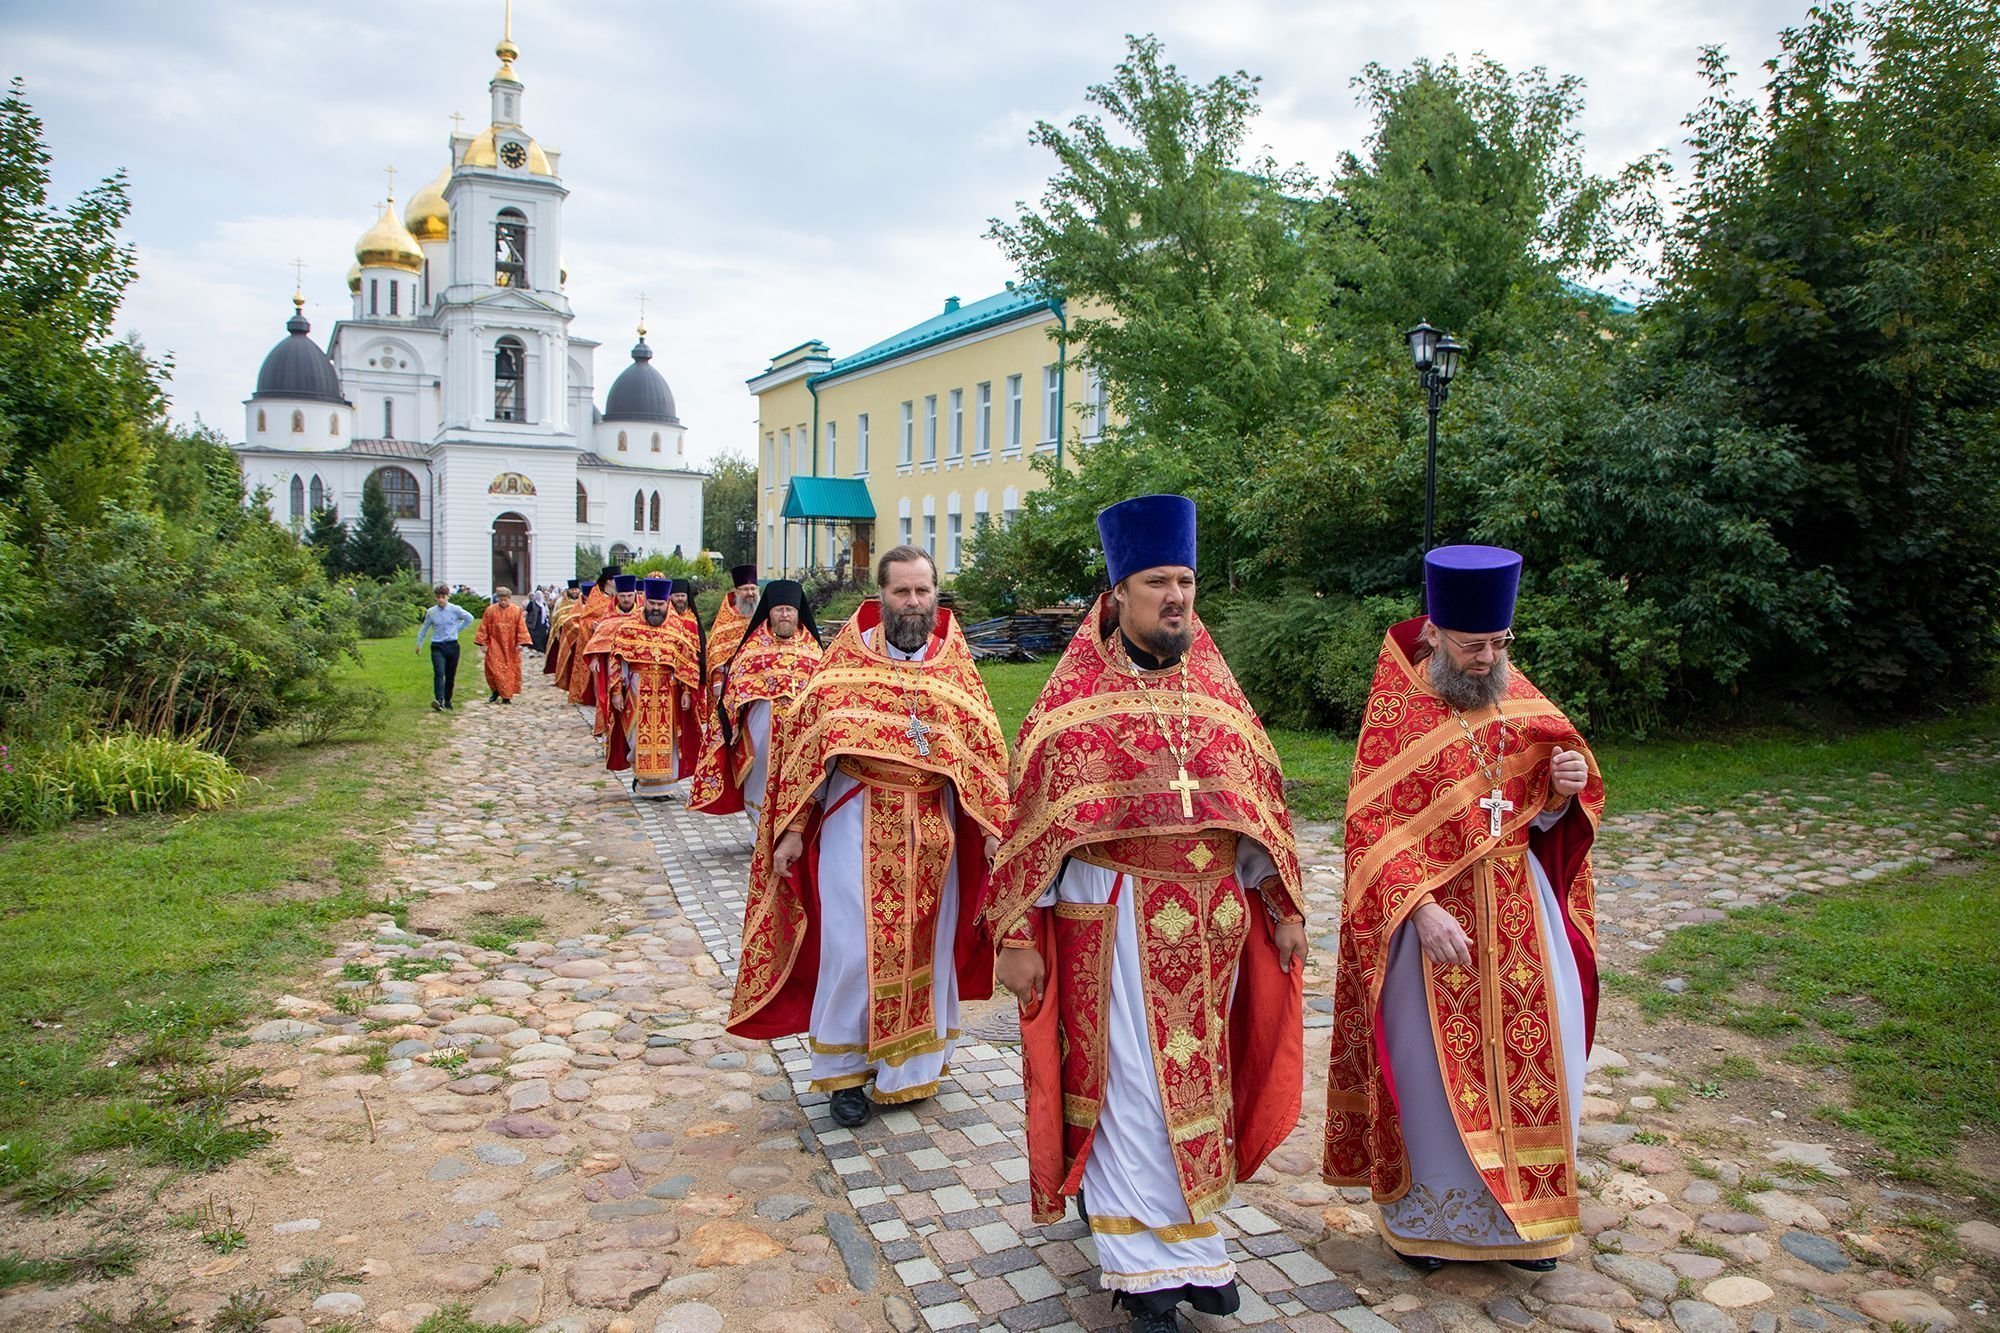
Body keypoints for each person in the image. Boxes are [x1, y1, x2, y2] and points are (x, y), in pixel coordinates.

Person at [984, 495, 1308, 1331]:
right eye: (1159, 580)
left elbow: (1258, 807)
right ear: (1118, 590)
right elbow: (1033, 824)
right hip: (1114, 919)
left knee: (1198, 1085)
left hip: (1210, 924)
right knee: (1131, 1083)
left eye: (1188, 580)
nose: (1178, 596)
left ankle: (1194, 1244)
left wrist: (1278, 900)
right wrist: (1018, 932)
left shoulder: (1221, 699)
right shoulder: (1069, 705)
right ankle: (1138, 1263)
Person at [1323, 545, 1602, 1272]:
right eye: (1473, 644)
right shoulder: (1399, 712)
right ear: (1436, 636)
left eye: (1499, 643)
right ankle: (1426, 1221)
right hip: (1431, 925)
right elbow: (1370, 826)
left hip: (1517, 917)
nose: (1486, 659)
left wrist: (1564, 788)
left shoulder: (1519, 697)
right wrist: (1417, 909)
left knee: (1541, 1060)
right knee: (1427, 1073)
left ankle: (1525, 1224)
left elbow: (1540, 814)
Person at [727, 546, 1009, 1128]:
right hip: (854, 822)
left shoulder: (957, 672)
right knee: (853, 950)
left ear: (936, 595)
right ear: (881, 597)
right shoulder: (841, 669)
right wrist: (791, 833)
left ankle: (911, 1069)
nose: (913, 602)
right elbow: (804, 758)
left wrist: (991, 830)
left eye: (922, 591)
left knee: (923, 950)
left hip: (934, 834)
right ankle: (846, 1071)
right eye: (902, 591)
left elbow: (984, 760)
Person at [689, 578, 822, 824]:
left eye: (789, 610)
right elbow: (734, 692)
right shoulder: (752, 647)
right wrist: (731, 724)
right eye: (779, 610)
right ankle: (757, 832)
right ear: (769, 612)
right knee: (760, 778)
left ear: (797, 612)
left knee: (794, 780)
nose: (785, 615)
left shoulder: (814, 649)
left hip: (800, 733)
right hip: (760, 729)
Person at [603, 576, 705, 797]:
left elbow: (688, 660)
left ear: (667, 603)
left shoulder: (677, 628)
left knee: (667, 740)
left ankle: (664, 787)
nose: (656, 609)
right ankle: (642, 778)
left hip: (668, 692)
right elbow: (616, 661)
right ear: (645, 601)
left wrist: (687, 691)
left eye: (660, 604)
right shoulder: (628, 628)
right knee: (636, 737)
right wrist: (616, 692)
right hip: (637, 689)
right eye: (652, 604)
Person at [576, 573, 641, 723]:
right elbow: (598, 639)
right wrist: (595, 658)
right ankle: (610, 725)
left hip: (637, 667)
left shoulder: (641, 617)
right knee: (612, 698)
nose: (626, 599)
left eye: (629, 595)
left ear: (634, 595)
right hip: (612, 665)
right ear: (617, 596)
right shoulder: (608, 617)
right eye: (623, 596)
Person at [415, 584, 475, 712]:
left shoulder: (455, 609)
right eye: (438, 597)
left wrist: (457, 630)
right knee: (439, 672)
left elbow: (469, 618)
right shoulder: (431, 612)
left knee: (450, 675)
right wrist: (419, 644)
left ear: (448, 597)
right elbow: (424, 629)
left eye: (443, 597)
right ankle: (439, 700)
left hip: (452, 645)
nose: (441, 600)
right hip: (437, 645)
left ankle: (448, 699)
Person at [704, 564, 760, 697]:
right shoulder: (726, 619)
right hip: (730, 682)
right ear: (736, 592)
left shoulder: (764, 617)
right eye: (745, 589)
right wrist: (717, 681)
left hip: (759, 679)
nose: (750, 593)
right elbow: (716, 653)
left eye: (753, 589)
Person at [474, 586, 531, 704]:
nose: (503, 602)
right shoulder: (490, 611)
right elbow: (484, 627)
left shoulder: (516, 611)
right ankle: (495, 690)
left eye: (506, 600)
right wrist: (483, 643)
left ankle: (507, 695)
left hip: (511, 645)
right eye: (501, 600)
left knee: (509, 671)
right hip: (495, 643)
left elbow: (521, 627)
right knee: (494, 669)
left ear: (509, 599)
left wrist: (521, 642)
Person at [543, 580, 582, 678]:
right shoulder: (560, 601)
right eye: (572, 590)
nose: (574, 591)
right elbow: (556, 617)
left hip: (580, 633)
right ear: (568, 590)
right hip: (564, 634)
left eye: (576, 589)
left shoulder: (583, 600)